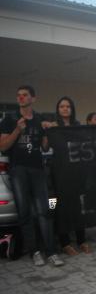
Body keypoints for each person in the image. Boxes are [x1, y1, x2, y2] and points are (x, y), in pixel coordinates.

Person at [0, 86, 64, 266]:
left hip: (37, 169)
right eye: (18, 95)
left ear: (33, 98)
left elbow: (44, 147)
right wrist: (17, 131)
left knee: (45, 211)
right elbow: (3, 146)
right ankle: (34, 251)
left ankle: (51, 252)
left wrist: (50, 131)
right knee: (25, 212)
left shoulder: (39, 119)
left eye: (24, 95)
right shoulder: (9, 119)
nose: (20, 98)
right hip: (18, 170)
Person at [51, 97, 91, 256]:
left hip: (77, 172)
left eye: (68, 106)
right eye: (62, 106)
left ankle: (81, 240)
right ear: (58, 109)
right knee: (60, 208)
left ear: (72, 109)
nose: (65, 109)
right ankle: (65, 242)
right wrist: (49, 130)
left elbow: (85, 146)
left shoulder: (77, 126)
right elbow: (46, 146)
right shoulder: (54, 126)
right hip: (60, 172)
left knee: (78, 207)